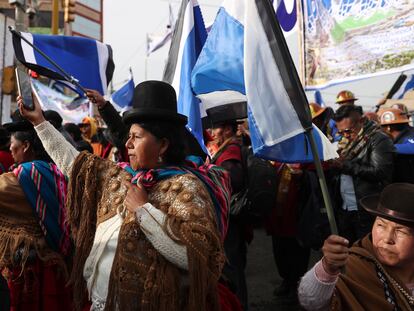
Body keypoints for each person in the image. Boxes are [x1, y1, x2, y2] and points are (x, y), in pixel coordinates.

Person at [19, 80, 231, 311]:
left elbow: (197, 257)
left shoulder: (186, 187)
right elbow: (76, 164)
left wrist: (144, 211)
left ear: (162, 145)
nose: (127, 143)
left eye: (136, 137)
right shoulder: (123, 177)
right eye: (129, 136)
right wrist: (39, 122)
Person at [298, 183, 414, 310]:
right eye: (381, 225)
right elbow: (310, 302)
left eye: (401, 231)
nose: (387, 239)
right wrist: (327, 267)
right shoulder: (353, 265)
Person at [0, 115, 72, 310]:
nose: (9, 149)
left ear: (25, 146)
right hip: (55, 266)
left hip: (30, 271)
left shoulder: (27, 175)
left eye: (12, 144)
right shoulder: (54, 171)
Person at [332, 105, 394, 244]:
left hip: (367, 209)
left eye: (348, 130)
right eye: (341, 132)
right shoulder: (344, 143)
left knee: (370, 254)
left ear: (362, 121)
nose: (345, 135)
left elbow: (380, 172)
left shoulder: (379, 139)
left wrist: (345, 166)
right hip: (345, 209)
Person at [208, 110, 248, 310]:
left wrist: (209, 172)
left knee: (233, 267)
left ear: (228, 129)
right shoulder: (227, 147)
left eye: (216, 127)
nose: (212, 132)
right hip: (232, 217)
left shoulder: (231, 150)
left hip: (232, 218)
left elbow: (234, 179)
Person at [378, 107, 414, 183]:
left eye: (382, 127)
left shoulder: (411, 134)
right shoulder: (397, 138)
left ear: (388, 127)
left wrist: (383, 148)